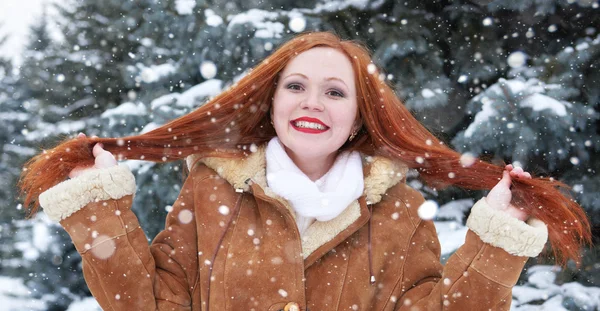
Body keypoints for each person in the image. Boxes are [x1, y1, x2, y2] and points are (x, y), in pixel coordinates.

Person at [19, 31, 590, 310]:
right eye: (296, 86)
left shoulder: (395, 210)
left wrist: (495, 244)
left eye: (334, 91)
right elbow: (151, 303)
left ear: (358, 115)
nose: (312, 101)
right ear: (272, 102)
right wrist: (99, 210)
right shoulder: (212, 189)